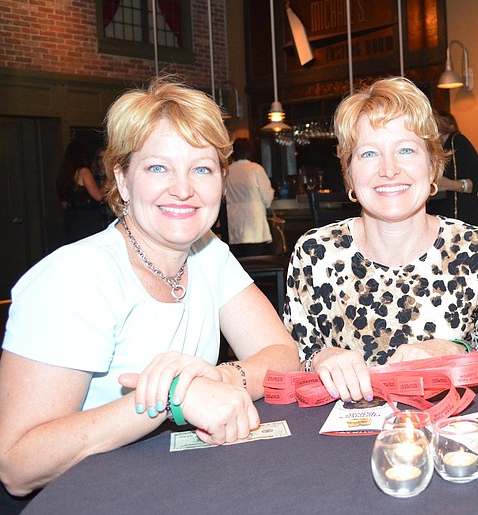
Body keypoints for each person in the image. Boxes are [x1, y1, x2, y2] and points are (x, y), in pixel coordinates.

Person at [0, 77, 300, 503]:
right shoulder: (72, 279)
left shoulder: (207, 252)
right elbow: (18, 465)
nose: (183, 188)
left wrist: (213, 377)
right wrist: (171, 398)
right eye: (158, 167)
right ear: (122, 179)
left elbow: (284, 358)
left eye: (202, 168)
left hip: (176, 487)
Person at [285, 77, 478, 403]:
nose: (389, 169)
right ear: (349, 172)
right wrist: (319, 360)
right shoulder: (315, 253)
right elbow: (293, 357)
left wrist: (452, 350)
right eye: (368, 154)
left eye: (406, 150)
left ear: (433, 166)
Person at [426, 110, 478, 226]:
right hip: (438, 217)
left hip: (462, 215)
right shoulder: (432, 148)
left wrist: (450, 184)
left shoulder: (458, 141)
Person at [225, 137, 276, 257]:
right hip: (254, 226)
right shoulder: (256, 169)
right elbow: (267, 199)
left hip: (232, 225)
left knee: (239, 263)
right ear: (250, 151)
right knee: (256, 264)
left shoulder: (227, 172)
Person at [55, 141, 106, 243]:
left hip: (71, 218)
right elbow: (98, 196)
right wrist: (111, 178)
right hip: (86, 220)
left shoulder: (65, 175)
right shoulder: (83, 172)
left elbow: (64, 203)